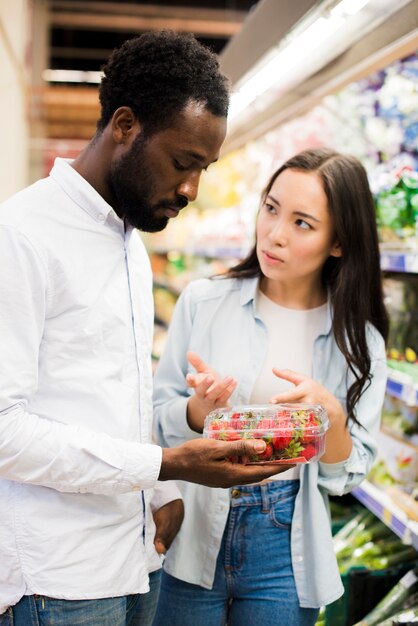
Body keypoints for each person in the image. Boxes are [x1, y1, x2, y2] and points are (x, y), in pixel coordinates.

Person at [0, 31, 286, 626]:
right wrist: (168, 465)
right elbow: (5, 431)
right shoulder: (21, 236)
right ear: (125, 126)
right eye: (183, 164)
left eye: (204, 169)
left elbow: (103, 396)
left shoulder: (129, 237)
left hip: (135, 556)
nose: (190, 190)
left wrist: (158, 492)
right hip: (56, 582)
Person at [152, 147, 389, 626]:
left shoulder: (359, 342)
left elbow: (347, 477)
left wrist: (332, 420)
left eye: (302, 223)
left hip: (286, 542)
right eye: (271, 208)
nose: (275, 234)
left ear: (339, 242)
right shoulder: (204, 301)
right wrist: (199, 412)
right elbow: (155, 421)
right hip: (194, 523)